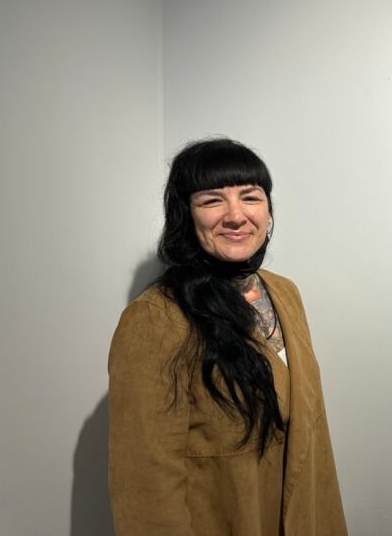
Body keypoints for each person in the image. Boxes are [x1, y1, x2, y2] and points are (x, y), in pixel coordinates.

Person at [108, 138, 347, 536]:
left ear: (268, 212)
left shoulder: (285, 293)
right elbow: (145, 485)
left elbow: (309, 437)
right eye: (212, 200)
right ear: (186, 216)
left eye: (250, 197)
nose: (236, 216)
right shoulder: (155, 320)